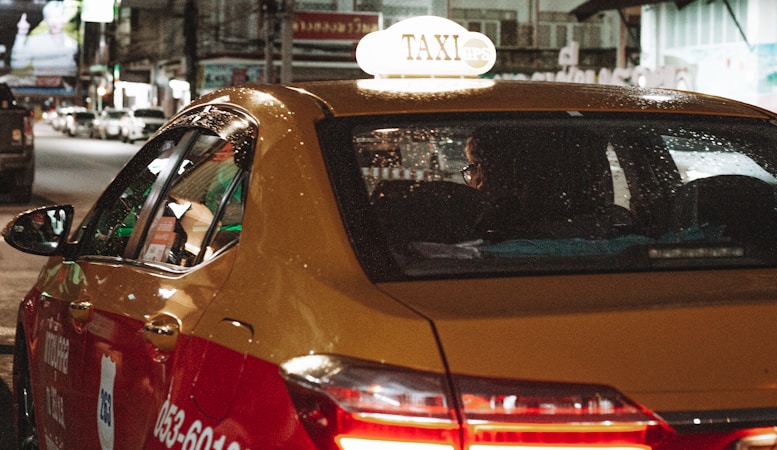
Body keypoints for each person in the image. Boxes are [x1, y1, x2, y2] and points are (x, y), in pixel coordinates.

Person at [11, 2, 78, 76]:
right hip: (41, 86)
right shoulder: (35, 41)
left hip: (65, 86)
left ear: (64, 18)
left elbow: (75, 71)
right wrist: (21, 34)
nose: (54, 22)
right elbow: (17, 65)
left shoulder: (73, 44)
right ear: (45, 20)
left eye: (58, 16)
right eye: (50, 17)